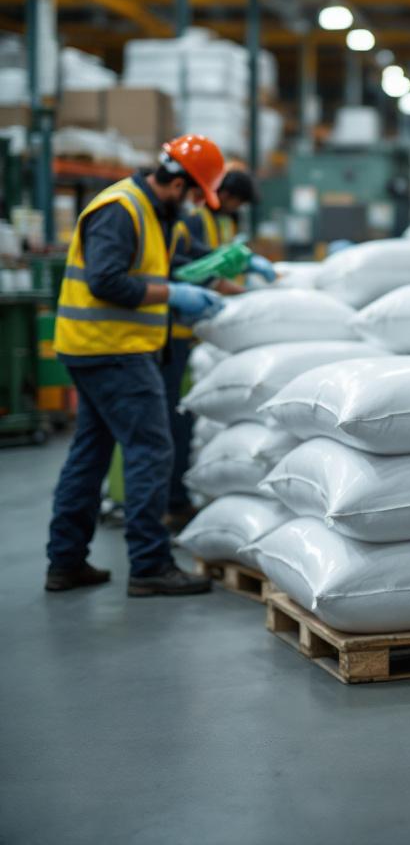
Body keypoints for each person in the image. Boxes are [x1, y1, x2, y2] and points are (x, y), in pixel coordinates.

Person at [46, 134, 226, 596]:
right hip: (112, 349)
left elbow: (156, 269)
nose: (190, 207)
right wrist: (173, 295)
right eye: (191, 195)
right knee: (151, 449)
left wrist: (186, 286)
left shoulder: (149, 211)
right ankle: (150, 565)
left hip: (103, 346)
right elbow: (106, 282)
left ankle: (66, 562)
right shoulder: (121, 208)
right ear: (178, 182)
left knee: (91, 453)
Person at [161, 165, 274, 532]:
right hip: (174, 332)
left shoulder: (218, 219)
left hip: (203, 331)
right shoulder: (190, 219)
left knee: (183, 421)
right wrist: (237, 292)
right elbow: (188, 267)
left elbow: (211, 258)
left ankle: (177, 499)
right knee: (174, 421)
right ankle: (172, 502)